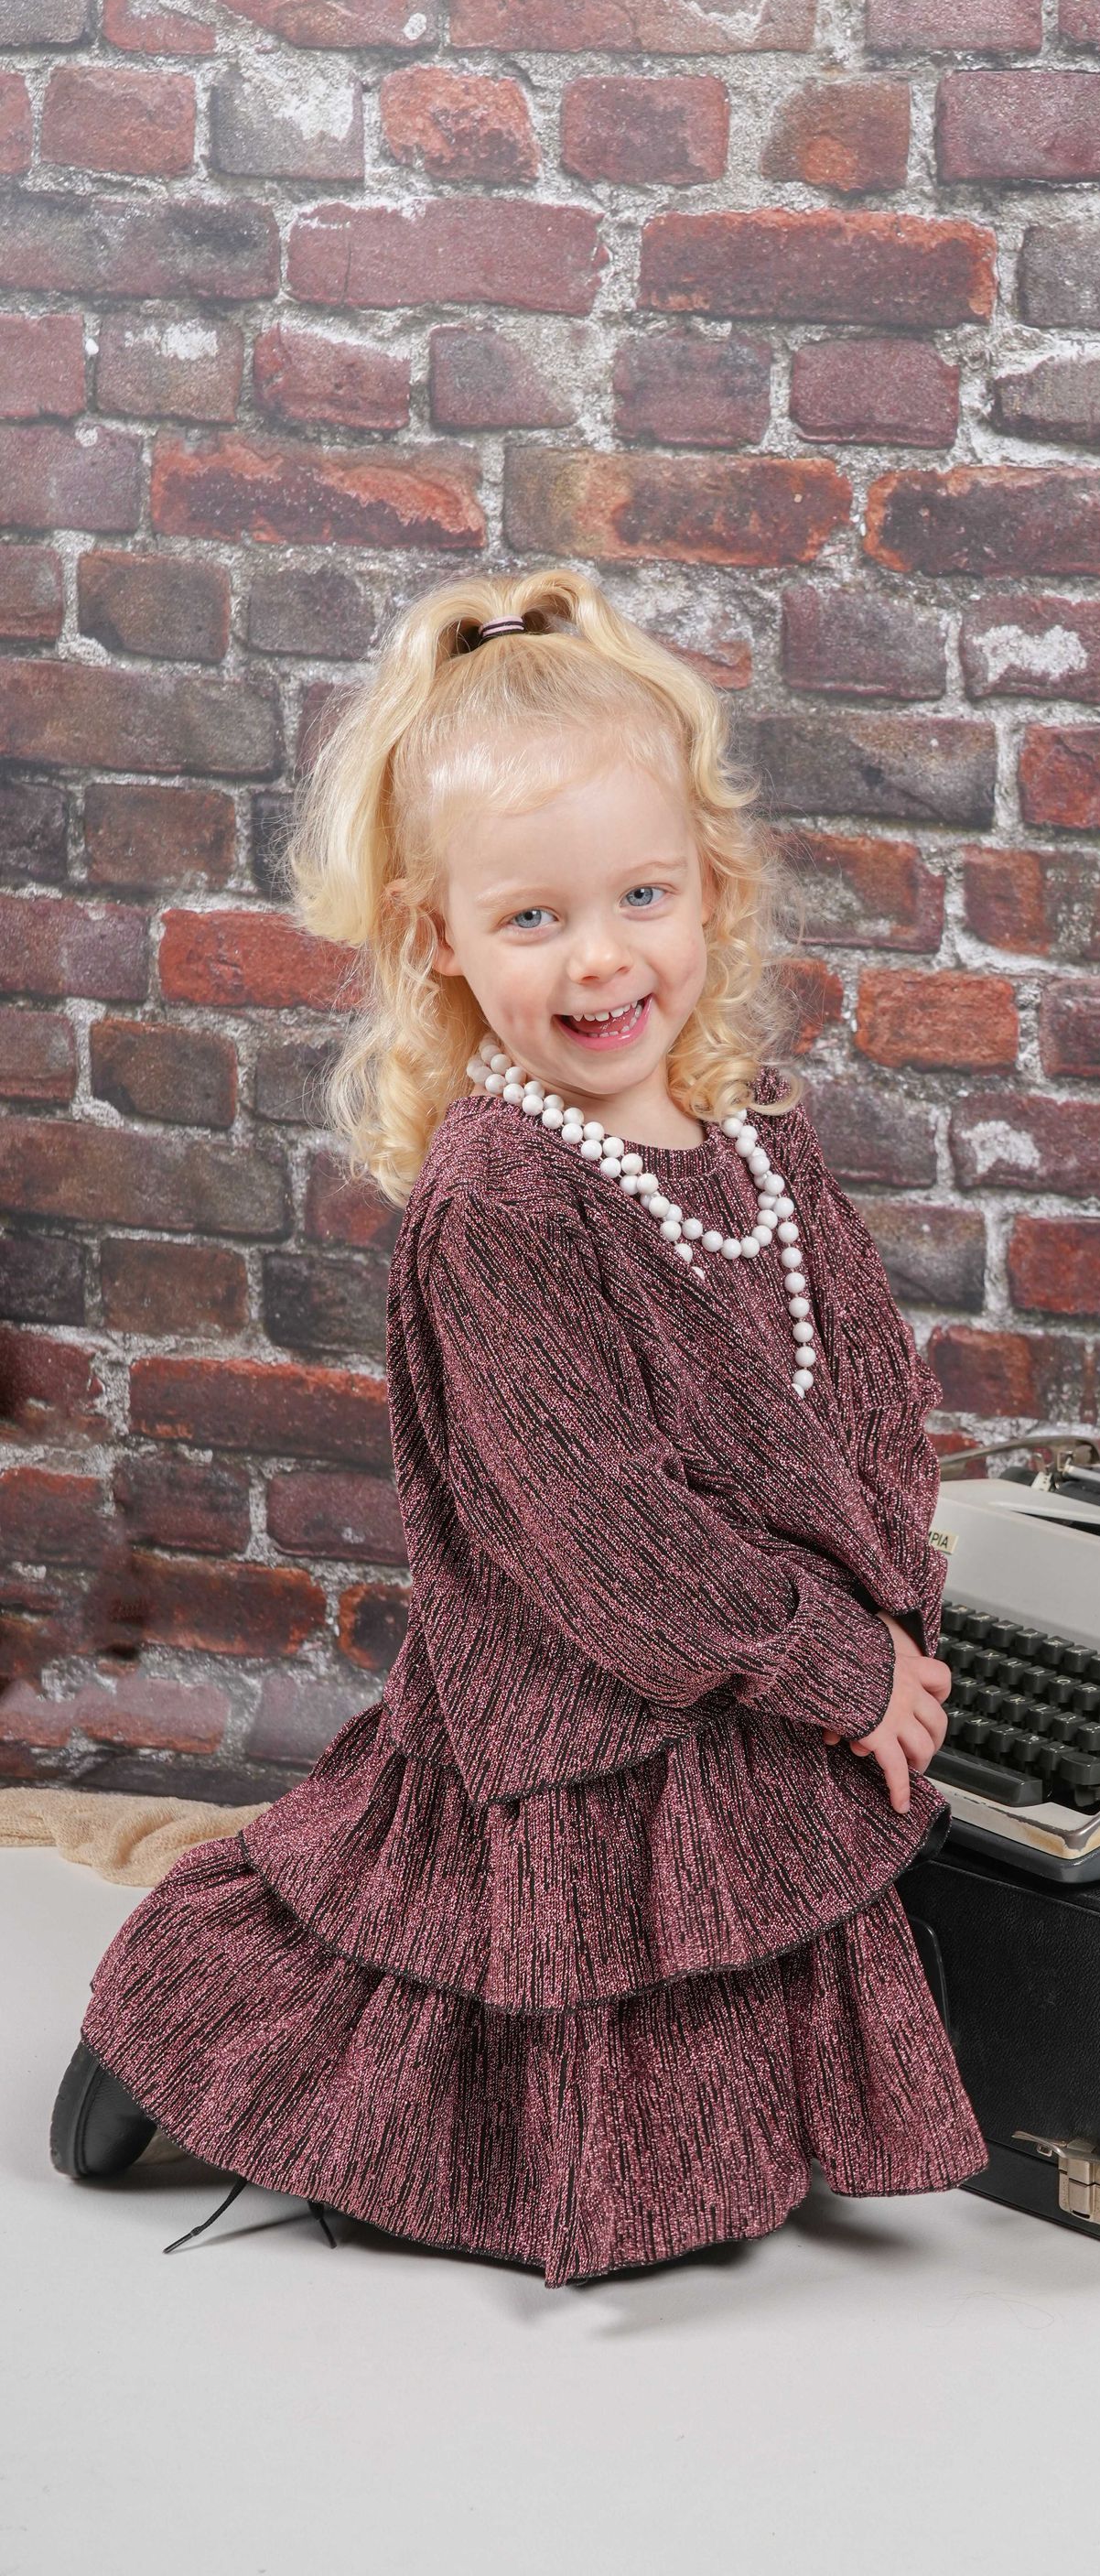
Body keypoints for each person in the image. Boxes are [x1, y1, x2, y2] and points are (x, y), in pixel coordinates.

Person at [51, 567, 988, 2287]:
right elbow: (590, 1524)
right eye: (534, 919)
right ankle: (180, 2031)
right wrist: (824, 1660)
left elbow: (862, 1378)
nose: (603, 957)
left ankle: (709, 2140)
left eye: (641, 895)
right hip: (590, 1661)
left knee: (722, 1948)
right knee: (458, 1937)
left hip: (749, 1649)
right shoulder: (502, 1190)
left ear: (710, 888)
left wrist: (887, 1598)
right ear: (440, 939)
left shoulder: (753, 1125)